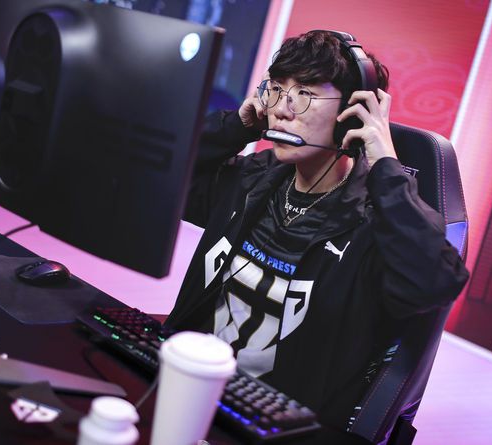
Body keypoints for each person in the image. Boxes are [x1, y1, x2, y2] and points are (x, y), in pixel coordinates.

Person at [165, 30, 469, 438]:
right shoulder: (252, 180)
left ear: (351, 112)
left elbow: (434, 282)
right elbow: (163, 178)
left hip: (275, 427)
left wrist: (384, 163)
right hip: (192, 388)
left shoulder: (376, 223)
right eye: (276, 90)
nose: (281, 110)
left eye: (304, 94)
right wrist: (236, 127)